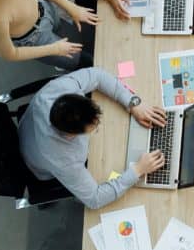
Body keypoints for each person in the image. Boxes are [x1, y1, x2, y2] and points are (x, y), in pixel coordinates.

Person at [19, 67, 167, 209]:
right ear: (72, 135)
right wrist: (137, 170)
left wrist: (133, 103)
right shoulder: (64, 158)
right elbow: (94, 199)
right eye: (94, 127)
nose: (98, 124)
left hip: (28, 128)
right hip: (36, 164)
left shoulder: (64, 88)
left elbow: (96, 75)